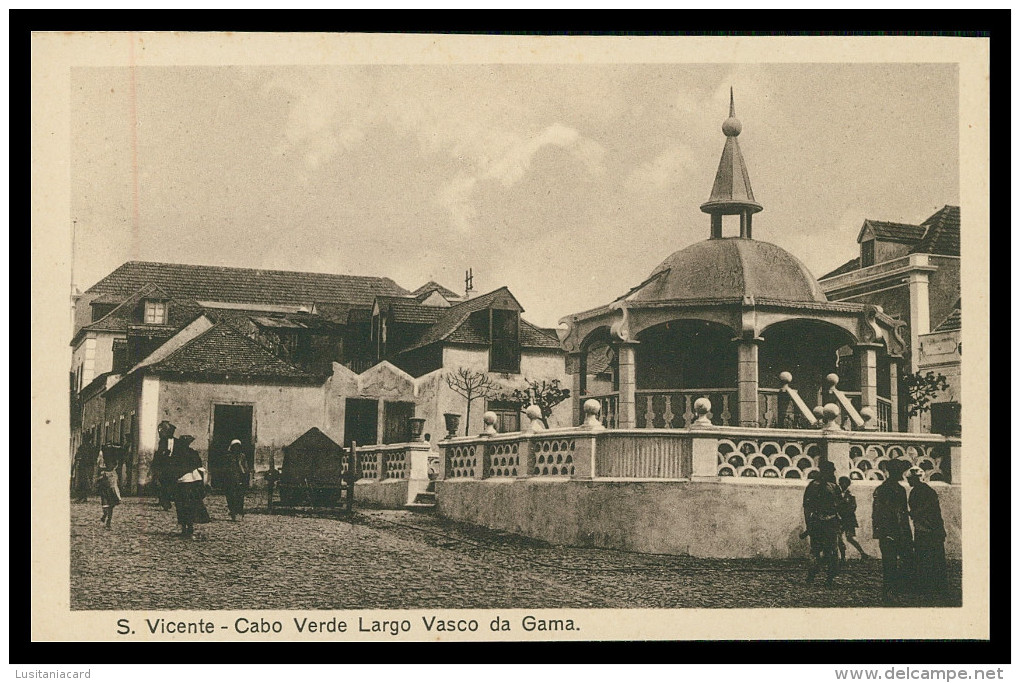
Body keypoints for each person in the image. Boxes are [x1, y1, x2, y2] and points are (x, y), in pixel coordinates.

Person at [872, 459, 914, 603]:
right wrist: (884, 531)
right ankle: (889, 592)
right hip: (890, 532)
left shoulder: (894, 489)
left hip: (896, 532)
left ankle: (892, 591)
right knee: (890, 563)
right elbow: (879, 512)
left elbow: (902, 514)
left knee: (896, 563)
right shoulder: (886, 490)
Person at [906, 466, 948, 598]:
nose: (908, 481)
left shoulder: (922, 491)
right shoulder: (922, 491)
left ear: (915, 479)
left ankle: (929, 586)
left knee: (927, 557)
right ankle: (932, 586)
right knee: (930, 557)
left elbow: (927, 508)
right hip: (927, 529)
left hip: (929, 529)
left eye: (910, 479)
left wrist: (912, 513)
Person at [802, 460, 842, 586]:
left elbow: (807, 507)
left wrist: (809, 523)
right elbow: (808, 506)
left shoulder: (816, 485)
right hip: (824, 522)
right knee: (826, 550)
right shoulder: (827, 486)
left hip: (822, 522)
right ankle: (822, 576)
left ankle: (817, 576)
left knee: (820, 550)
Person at [171, 435, 208, 537]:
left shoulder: (177, 454)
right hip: (192, 481)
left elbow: (173, 468)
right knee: (190, 505)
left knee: (182, 505)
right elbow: (199, 466)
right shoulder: (192, 453)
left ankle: (184, 527)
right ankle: (190, 526)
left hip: (182, 482)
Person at [836, 476, 871, 562]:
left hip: (848, 519)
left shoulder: (850, 495)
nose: (843, 485)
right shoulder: (837, 494)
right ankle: (843, 556)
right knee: (838, 537)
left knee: (850, 538)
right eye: (842, 483)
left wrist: (845, 513)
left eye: (845, 483)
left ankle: (862, 553)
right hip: (839, 519)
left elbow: (853, 507)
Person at [150, 421, 176, 510]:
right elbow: (160, 453)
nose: (171, 433)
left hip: (172, 466)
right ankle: (164, 501)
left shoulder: (176, 441)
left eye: (172, 432)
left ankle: (167, 500)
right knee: (163, 484)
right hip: (164, 465)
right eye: (170, 431)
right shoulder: (163, 441)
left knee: (170, 484)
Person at [96, 444, 122, 530]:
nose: (110, 466)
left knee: (111, 507)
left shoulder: (114, 473)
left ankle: (108, 522)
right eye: (109, 464)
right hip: (105, 492)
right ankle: (104, 515)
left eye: (112, 465)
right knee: (105, 506)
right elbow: (98, 481)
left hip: (113, 491)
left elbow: (116, 483)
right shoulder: (104, 473)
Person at [223, 439, 250, 521]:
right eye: (235, 447)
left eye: (238, 447)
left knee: (240, 496)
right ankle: (233, 512)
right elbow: (225, 468)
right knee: (231, 496)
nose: (236, 449)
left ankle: (239, 512)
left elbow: (245, 466)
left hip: (240, 477)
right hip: (230, 478)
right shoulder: (228, 456)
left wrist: (246, 474)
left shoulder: (242, 456)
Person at [72, 435, 99, 503]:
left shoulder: (84, 447)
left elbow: (77, 457)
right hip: (86, 466)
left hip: (85, 466)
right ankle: (82, 497)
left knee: (84, 482)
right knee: (84, 482)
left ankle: (83, 497)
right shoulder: (90, 447)